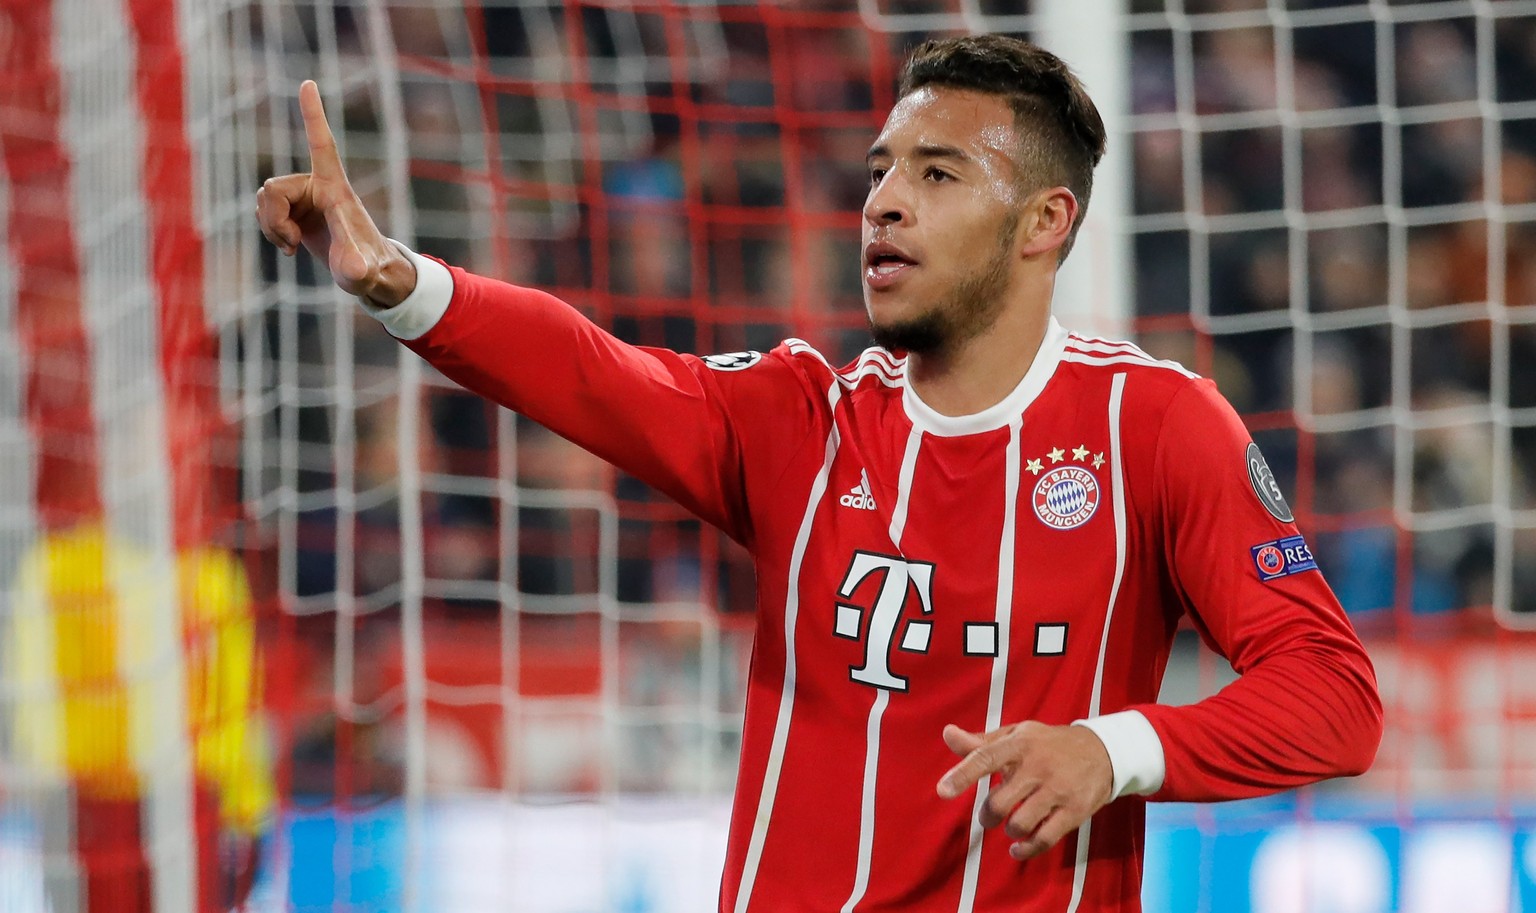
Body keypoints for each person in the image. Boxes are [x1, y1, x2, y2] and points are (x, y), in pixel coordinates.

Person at [257, 35, 1382, 913]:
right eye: (882, 169)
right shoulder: (801, 417)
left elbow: (1334, 699)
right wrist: (392, 278)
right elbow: (590, 372)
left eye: (936, 174)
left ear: (1045, 221)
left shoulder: (1157, 427)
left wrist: (1114, 747)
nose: (882, 201)